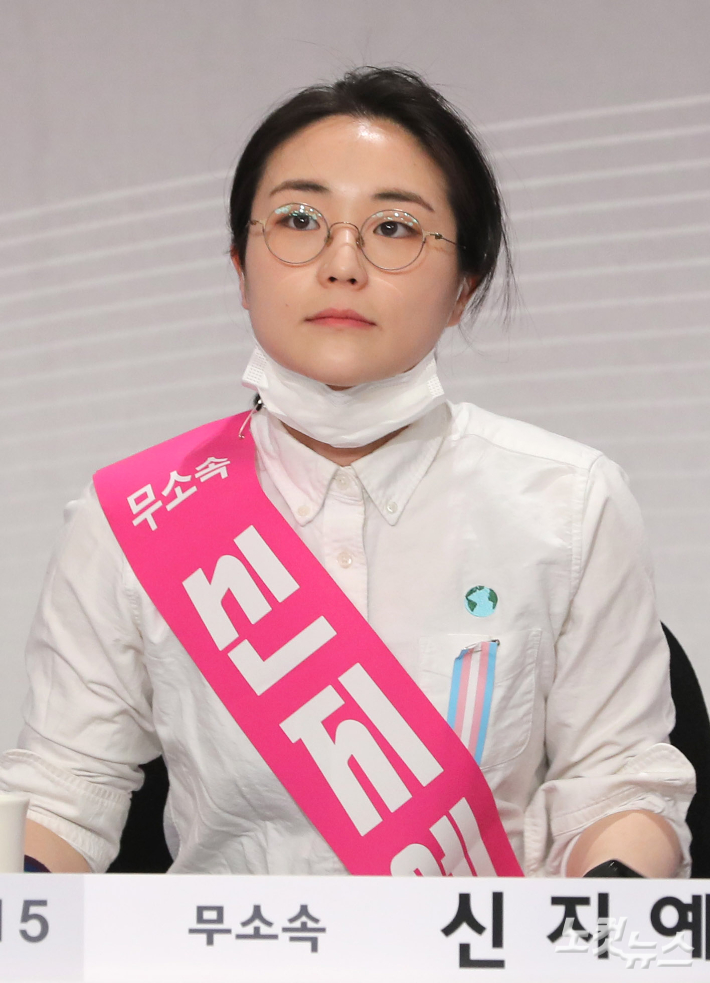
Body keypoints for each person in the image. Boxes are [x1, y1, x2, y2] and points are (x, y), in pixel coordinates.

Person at [0, 67, 695, 878]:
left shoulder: (568, 504)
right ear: (240, 264)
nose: (342, 264)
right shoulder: (134, 517)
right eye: (298, 220)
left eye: (395, 228)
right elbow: (62, 794)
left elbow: (619, 787)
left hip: (477, 945)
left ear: (463, 286)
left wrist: (602, 909)